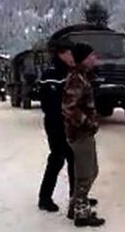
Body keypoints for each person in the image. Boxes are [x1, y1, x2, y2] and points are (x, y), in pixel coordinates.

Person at [63, 43, 105, 228]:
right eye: (92, 56)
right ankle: (81, 212)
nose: (95, 59)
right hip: (80, 133)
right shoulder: (76, 78)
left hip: (83, 132)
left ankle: (75, 206)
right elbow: (68, 107)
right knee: (85, 174)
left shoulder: (82, 76)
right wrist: (88, 122)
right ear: (84, 58)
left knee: (91, 171)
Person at [38, 39, 76, 212]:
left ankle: (76, 197)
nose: (72, 56)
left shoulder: (69, 72)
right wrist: (61, 120)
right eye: (69, 53)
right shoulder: (51, 75)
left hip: (68, 123)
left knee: (73, 159)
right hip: (56, 124)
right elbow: (50, 104)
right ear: (61, 54)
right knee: (57, 159)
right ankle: (44, 198)